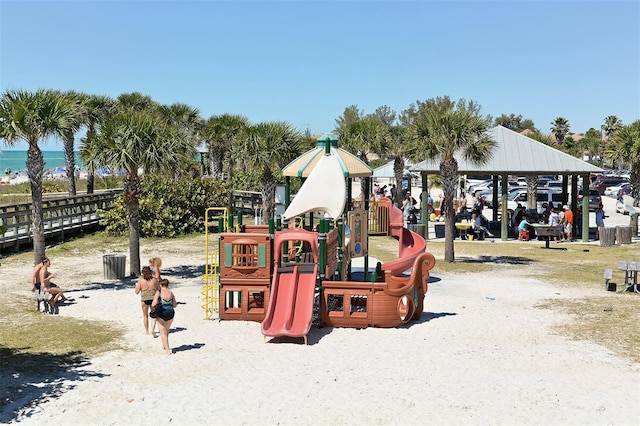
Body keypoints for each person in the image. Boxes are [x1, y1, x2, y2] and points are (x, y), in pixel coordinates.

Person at [151, 278, 177, 355]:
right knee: (167, 330)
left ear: (160, 285)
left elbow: (153, 304)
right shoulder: (171, 293)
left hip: (162, 312)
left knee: (162, 332)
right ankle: (164, 345)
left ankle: (168, 350)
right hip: (170, 312)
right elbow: (175, 305)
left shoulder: (159, 292)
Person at [135, 266, 159, 336]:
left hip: (144, 299)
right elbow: (158, 289)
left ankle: (146, 331)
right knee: (154, 315)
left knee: (145, 316)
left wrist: (136, 286)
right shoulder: (154, 280)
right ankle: (153, 329)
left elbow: (137, 292)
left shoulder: (141, 281)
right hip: (153, 299)